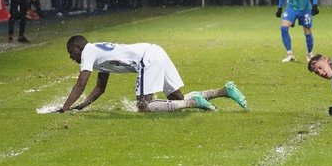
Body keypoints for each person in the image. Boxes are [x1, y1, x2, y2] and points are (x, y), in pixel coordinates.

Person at [57, 35, 248, 113]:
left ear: (78, 47)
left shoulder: (88, 51)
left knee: (144, 106)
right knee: (176, 98)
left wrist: (65, 108)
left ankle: (193, 103)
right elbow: (100, 88)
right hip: (155, 51)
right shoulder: (98, 54)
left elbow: (81, 83)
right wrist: (81, 106)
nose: (71, 57)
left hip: (146, 58)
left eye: (71, 52)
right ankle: (224, 91)